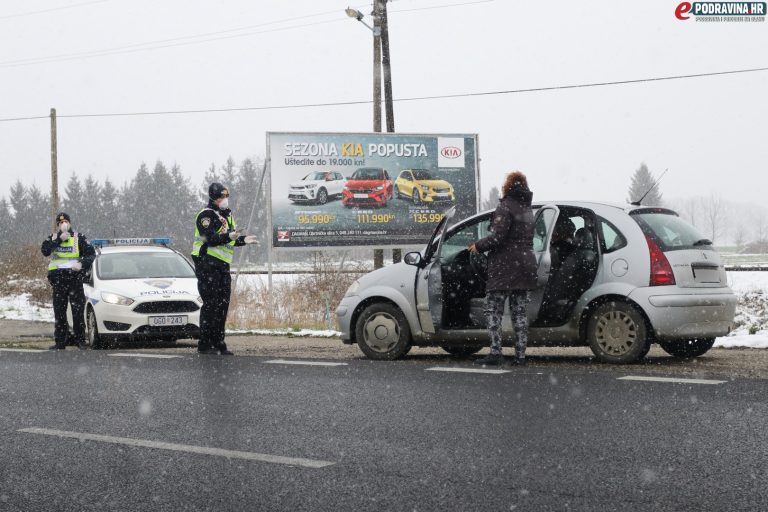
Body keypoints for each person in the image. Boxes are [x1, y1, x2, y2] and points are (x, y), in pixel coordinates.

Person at [469, 171, 537, 366]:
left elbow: (498, 237)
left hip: (504, 268)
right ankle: (521, 356)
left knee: (493, 310)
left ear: (507, 186)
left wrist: (478, 246)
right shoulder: (527, 210)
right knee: (519, 313)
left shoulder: (505, 207)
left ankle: (496, 352)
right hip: (525, 265)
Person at [191, 183, 258, 355]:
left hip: (222, 265)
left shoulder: (227, 215)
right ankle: (205, 344)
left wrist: (243, 240)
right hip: (206, 262)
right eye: (221, 197)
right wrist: (228, 236)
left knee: (222, 305)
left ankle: (219, 343)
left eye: (226, 196)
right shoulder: (206, 215)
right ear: (213, 198)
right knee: (211, 304)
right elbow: (210, 238)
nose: (224, 200)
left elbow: (230, 239)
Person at [40, 212, 96, 350]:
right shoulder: (53, 237)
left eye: (65, 221)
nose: (63, 224)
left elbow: (91, 254)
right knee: (59, 312)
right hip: (59, 281)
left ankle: (80, 340)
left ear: (70, 223)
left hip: (74, 279)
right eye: (60, 223)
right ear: (57, 225)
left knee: (77, 312)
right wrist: (58, 240)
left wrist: (82, 263)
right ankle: (60, 341)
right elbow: (45, 251)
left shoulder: (78, 237)